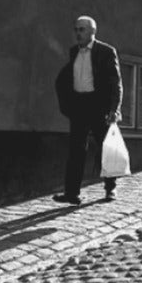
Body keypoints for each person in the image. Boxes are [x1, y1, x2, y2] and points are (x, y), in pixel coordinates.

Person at [54, 16, 122, 206]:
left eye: (82, 29)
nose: (78, 33)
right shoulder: (74, 51)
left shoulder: (106, 51)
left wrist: (114, 109)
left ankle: (110, 188)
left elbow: (115, 83)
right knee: (76, 150)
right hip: (79, 106)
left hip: (99, 105)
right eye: (76, 29)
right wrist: (67, 105)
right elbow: (66, 79)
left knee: (106, 148)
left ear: (93, 31)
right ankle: (71, 193)